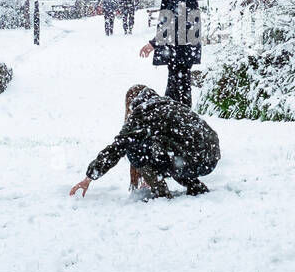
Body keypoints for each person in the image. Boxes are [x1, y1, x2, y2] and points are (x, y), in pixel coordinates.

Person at [69, 85, 221, 199]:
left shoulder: (141, 114)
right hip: (210, 158)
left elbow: (117, 148)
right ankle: (194, 185)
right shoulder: (172, 105)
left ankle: (159, 189)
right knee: (172, 147)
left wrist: (89, 177)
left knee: (131, 147)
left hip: (188, 160)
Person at [138, 0, 200, 107]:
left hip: (181, 44)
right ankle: (179, 122)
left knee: (177, 91)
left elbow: (175, 18)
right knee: (178, 89)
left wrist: (154, 43)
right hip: (183, 44)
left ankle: (181, 124)